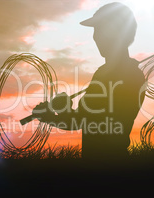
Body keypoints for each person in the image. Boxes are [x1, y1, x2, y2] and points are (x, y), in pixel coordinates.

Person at [32, 2, 147, 159]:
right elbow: (83, 120)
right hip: (92, 165)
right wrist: (51, 115)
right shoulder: (102, 73)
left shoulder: (131, 76)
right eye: (95, 30)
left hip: (112, 167)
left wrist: (61, 111)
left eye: (100, 29)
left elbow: (103, 124)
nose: (95, 36)